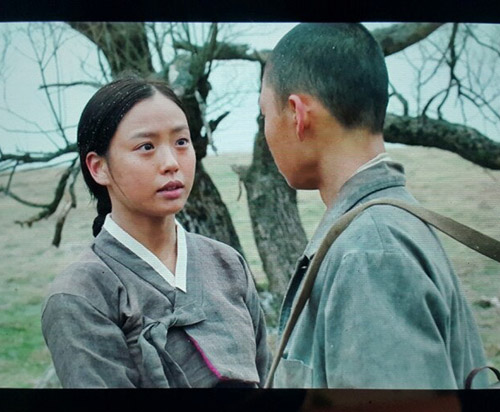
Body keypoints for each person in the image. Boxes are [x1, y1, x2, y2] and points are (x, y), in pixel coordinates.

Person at [259, 23, 489, 389]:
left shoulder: (369, 251)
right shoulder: (384, 224)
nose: (266, 129)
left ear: (297, 114)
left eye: (264, 115)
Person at [41, 76, 270, 388]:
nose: (171, 163)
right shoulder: (80, 294)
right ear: (99, 167)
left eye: (181, 142)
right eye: (146, 147)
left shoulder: (227, 263)